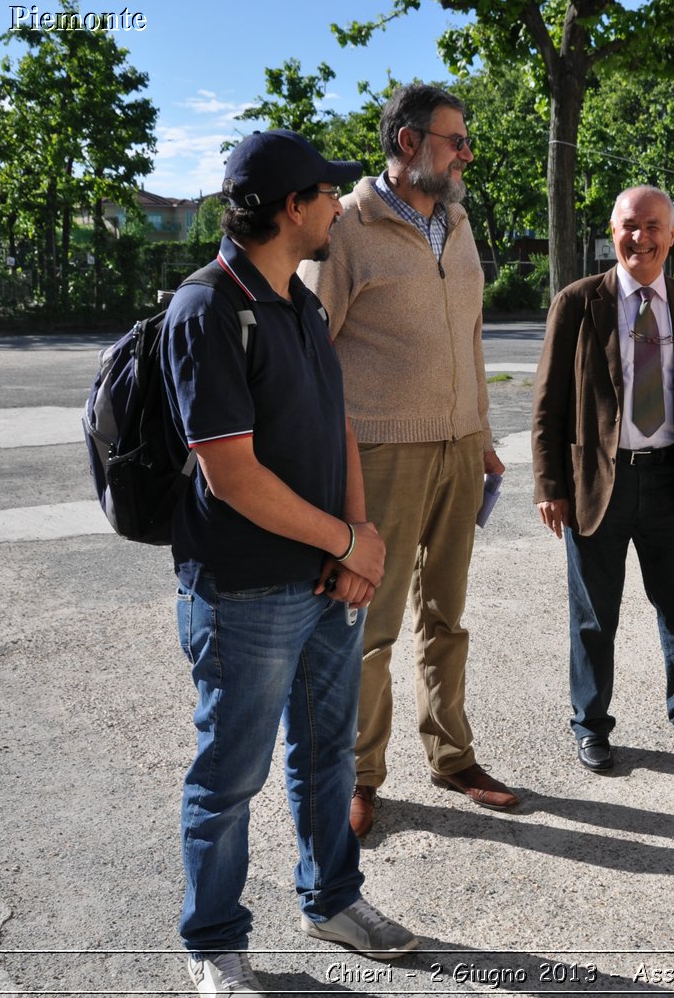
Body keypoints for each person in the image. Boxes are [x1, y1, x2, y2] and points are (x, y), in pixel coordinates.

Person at [163, 129, 419, 996]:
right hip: (245, 594)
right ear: (289, 209)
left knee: (326, 755)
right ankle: (214, 939)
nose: (338, 208)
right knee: (231, 774)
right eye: (326, 195)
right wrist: (347, 542)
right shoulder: (207, 309)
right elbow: (231, 474)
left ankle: (333, 899)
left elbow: (337, 422)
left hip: (322, 582)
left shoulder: (299, 301)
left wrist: (358, 536)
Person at [299, 83, 514, 840]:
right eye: (457, 140)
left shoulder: (456, 224)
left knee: (446, 616)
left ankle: (452, 754)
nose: (467, 154)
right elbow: (308, 352)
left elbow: (474, 336)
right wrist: (331, 457)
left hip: (459, 447)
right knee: (370, 624)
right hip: (381, 451)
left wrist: (481, 430)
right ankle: (359, 774)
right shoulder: (348, 228)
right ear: (410, 143)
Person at [532, 185, 674, 771]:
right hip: (598, 484)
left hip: (672, 483)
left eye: (652, 227)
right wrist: (550, 485)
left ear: (672, 235)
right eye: (628, 225)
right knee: (594, 617)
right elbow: (548, 403)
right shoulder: (577, 301)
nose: (639, 237)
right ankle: (590, 725)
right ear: (611, 231)